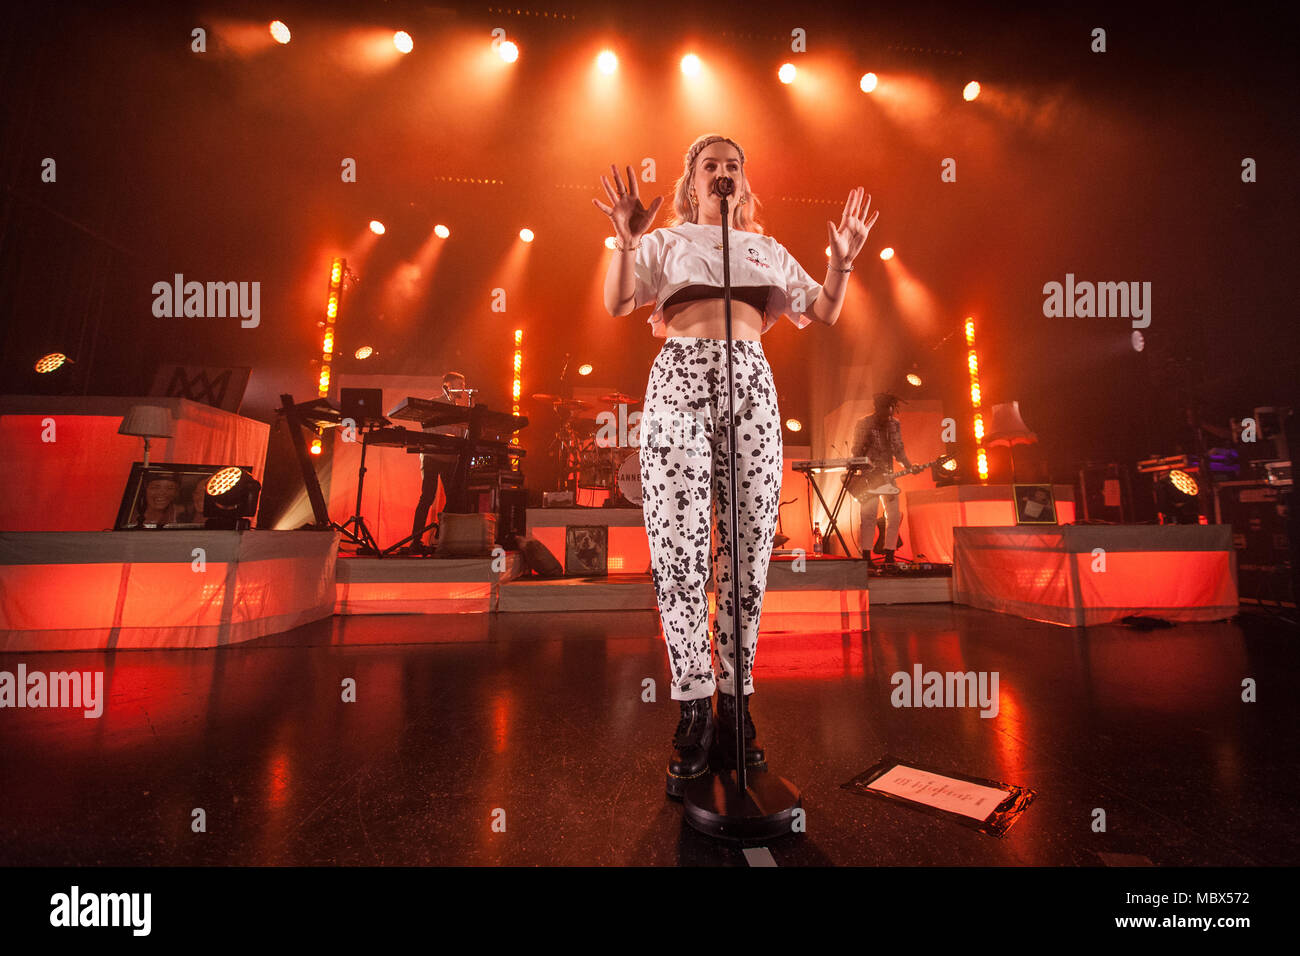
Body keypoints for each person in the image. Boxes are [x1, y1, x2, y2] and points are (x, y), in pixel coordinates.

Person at [594, 134, 879, 797]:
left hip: (750, 381)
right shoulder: (664, 243)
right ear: (692, 181)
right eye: (709, 164)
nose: (722, 172)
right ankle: (694, 709)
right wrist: (624, 238)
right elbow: (616, 302)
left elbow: (826, 309)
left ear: (742, 182)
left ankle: (736, 707)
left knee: (748, 550)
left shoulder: (766, 250)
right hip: (679, 382)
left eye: (732, 165)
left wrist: (841, 262)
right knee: (679, 549)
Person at [408, 371, 472, 555]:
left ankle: (441, 535)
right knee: (427, 496)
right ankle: (415, 540)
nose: (464, 387)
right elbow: (426, 425)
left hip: (449, 457)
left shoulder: (461, 409)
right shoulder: (435, 403)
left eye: (464, 382)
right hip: (432, 456)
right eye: (460, 383)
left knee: (453, 499)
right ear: (448, 386)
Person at [851, 392, 915, 567]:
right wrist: (867, 468)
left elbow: (898, 448)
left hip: (888, 476)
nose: (888, 416)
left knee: (894, 515)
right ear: (877, 408)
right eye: (884, 413)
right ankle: (866, 556)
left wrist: (909, 466)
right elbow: (856, 450)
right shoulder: (864, 424)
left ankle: (889, 554)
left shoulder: (894, 424)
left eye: (890, 412)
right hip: (869, 476)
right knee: (868, 515)